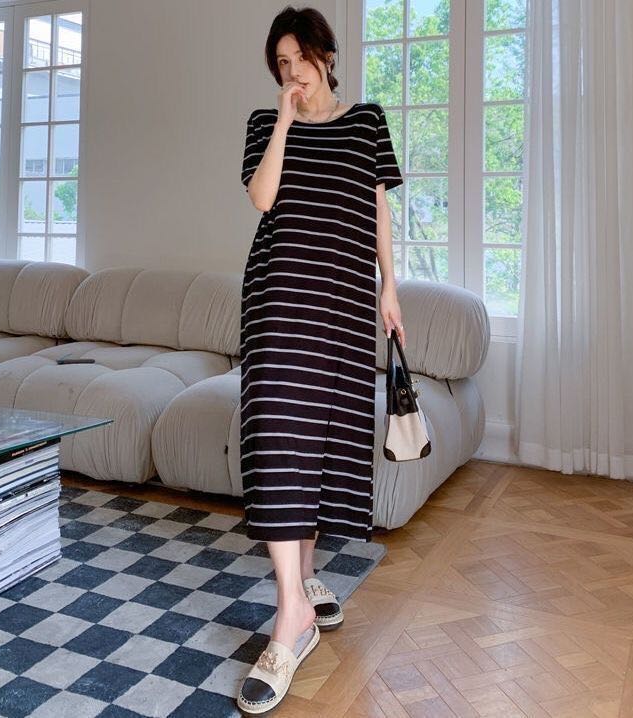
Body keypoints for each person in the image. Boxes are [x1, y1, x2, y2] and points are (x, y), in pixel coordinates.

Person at [237, 5, 405, 714]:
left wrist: (390, 286)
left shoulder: (367, 123)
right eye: (280, 64)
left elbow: (378, 210)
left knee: (320, 443)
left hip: (341, 305)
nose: (292, 73)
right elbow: (263, 198)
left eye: (299, 59)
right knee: (277, 439)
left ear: (325, 56)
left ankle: (304, 581)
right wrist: (284, 119)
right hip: (278, 300)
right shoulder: (263, 123)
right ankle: (291, 617)